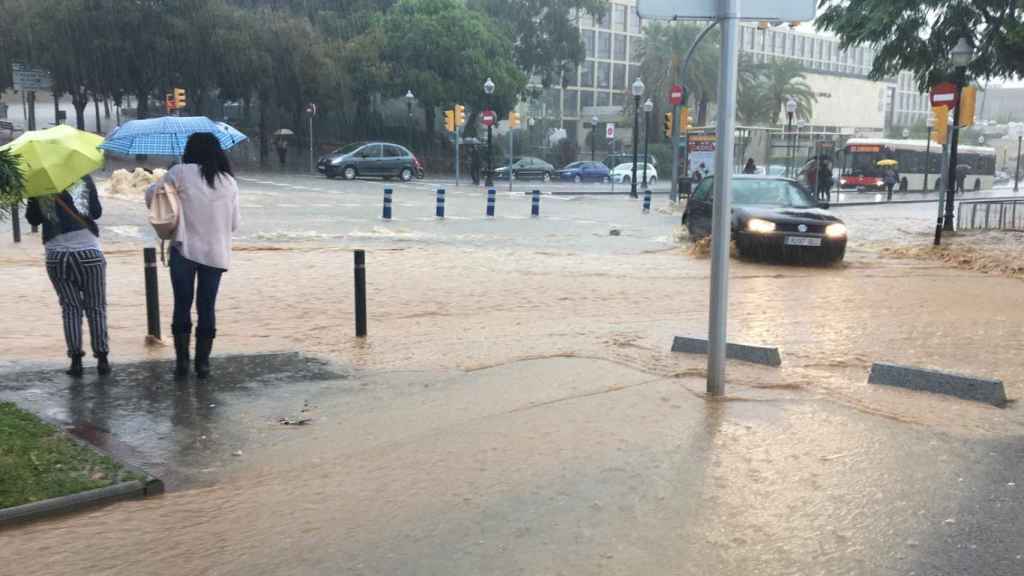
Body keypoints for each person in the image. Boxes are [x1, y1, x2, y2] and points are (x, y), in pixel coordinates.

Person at [146, 133, 240, 379]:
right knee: (207, 307)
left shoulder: (179, 172)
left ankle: (182, 363)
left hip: (184, 251)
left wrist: (162, 179)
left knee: (182, 305)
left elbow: (152, 198)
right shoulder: (229, 181)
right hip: (216, 254)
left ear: (190, 150)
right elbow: (234, 224)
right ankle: (203, 364)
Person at [25, 175, 111, 377]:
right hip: (89, 252)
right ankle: (102, 358)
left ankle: (76, 361)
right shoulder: (84, 178)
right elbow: (96, 212)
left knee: (70, 307)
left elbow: (33, 219)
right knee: (96, 306)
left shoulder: (38, 182)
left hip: (56, 255)